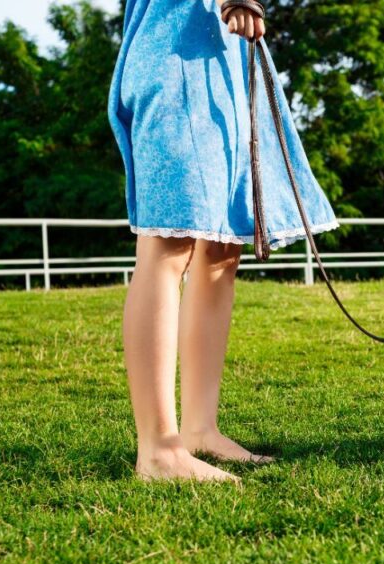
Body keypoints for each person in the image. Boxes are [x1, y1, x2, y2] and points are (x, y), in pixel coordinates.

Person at [107, 0, 339, 482]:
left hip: (227, 58)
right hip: (173, 53)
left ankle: (199, 430)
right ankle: (158, 449)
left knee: (220, 251)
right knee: (169, 240)